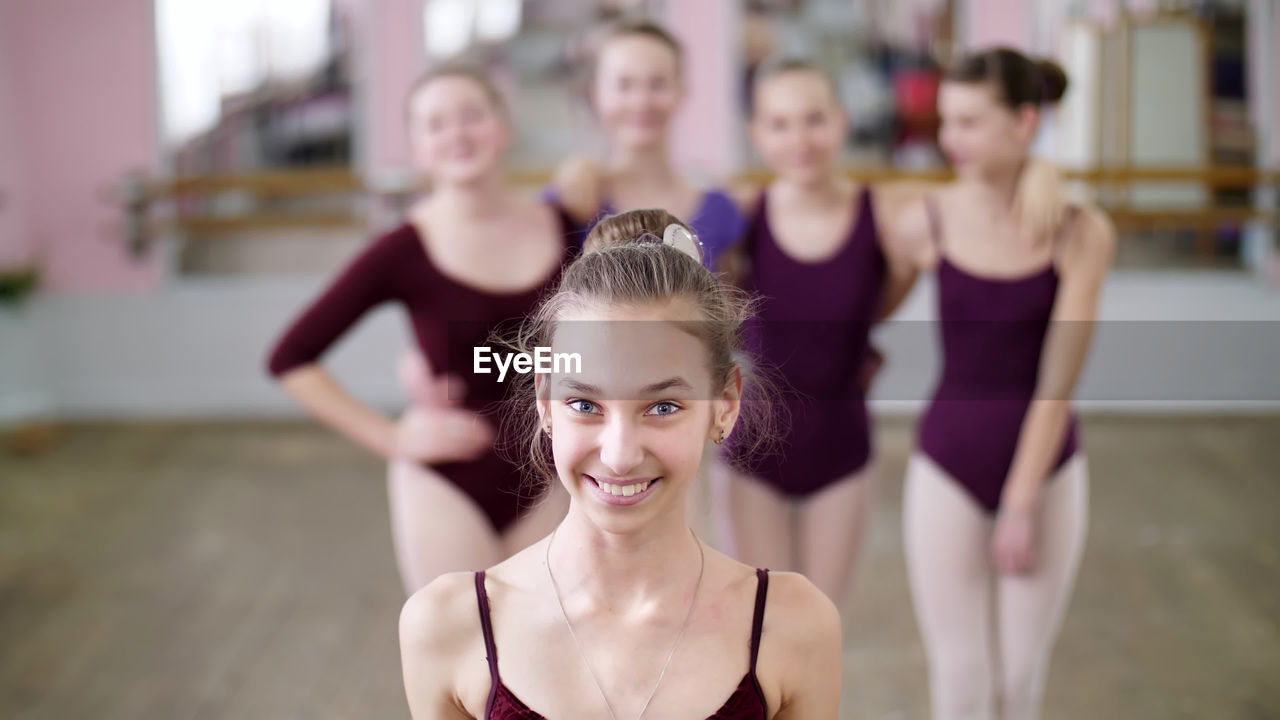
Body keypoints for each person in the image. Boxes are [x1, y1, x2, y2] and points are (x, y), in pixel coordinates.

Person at [399, 209, 842, 719]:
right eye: (585, 405)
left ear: (725, 406)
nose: (620, 454)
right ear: (545, 401)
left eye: (663, 407)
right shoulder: (448, 627)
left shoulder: (792, 625)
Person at [266, 65, 581, 595]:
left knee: (543, 662)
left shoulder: (567, 226)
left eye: (471, 116)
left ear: (503, 128)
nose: (457, 134)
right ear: (418, 148)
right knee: (461, 661)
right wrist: (391, 437)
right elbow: (291, 358)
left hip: (552, 472)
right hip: (450, 479)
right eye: (436, 124)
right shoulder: (401, 251)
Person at [885, 47, 1115, 720]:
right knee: (961, 683)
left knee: (1017, 684)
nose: (951, 140)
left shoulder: (1079, 232)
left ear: (1024, 122)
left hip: (1045, 470)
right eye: (947, 122)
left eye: (971, 123)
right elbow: (859, 306)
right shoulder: (922, 222)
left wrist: (1019, 502)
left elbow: (1057, 384)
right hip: (946, 464)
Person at [551, 19, 749, 270]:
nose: (641, 102)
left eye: (657, 84)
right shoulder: (566, 205)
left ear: (681, 92)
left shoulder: (722, 211)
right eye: (624, 84)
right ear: (596, 95)